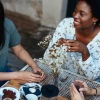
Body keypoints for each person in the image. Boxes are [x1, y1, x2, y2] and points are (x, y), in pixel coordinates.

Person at [43, 0, 100, 80]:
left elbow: (93, 77)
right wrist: (56, 47)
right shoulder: (65, 25)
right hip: (62, 78)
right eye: (75, 11)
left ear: (95, 18)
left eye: (82, 14)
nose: (75, 16)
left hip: (85, 86)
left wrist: (85, 52)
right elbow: (46, 60)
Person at [0, 1, 45, 86]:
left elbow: (18, 49)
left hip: (4, 73)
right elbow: (16, 75)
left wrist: (34, 65)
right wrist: (17, 75)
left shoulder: (7, 25)